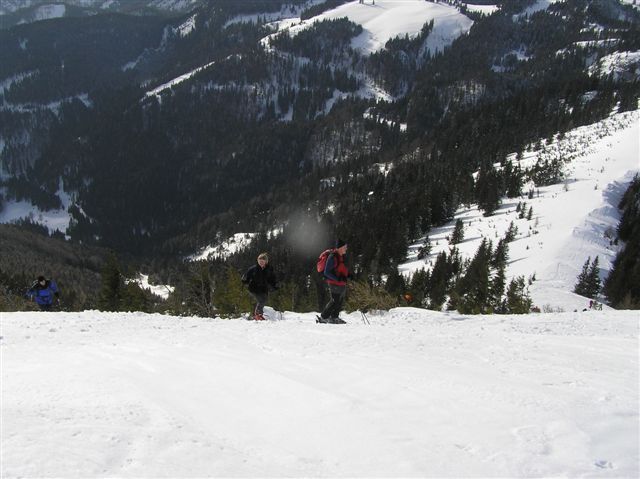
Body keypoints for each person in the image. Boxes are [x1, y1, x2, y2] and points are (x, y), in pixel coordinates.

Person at [318, 239, 349, 324]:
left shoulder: (341, 256)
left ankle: (335, 317)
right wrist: (338, 278)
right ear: (340, 247)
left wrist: (347, 276)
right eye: (345, 247)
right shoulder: (333, 257)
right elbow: (326, 272)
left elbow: (340, 268)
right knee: (335, 301)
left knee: (339, 301)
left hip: (341, 283)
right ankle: (323, 317)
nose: (346, 249)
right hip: (334, 283)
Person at [242, 253, 278, 320]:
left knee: (264, 300)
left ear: (266, 261)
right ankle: (258, 315)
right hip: (253, 288)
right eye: (259, 261)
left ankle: (255, 315)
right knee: (261, 300)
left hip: (263, 289)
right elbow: (246, 277)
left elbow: (272, 278)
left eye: (262, 261)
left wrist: (274, 285)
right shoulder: (253, 269)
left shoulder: (269, 269)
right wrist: (244, 280)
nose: (261, 263)